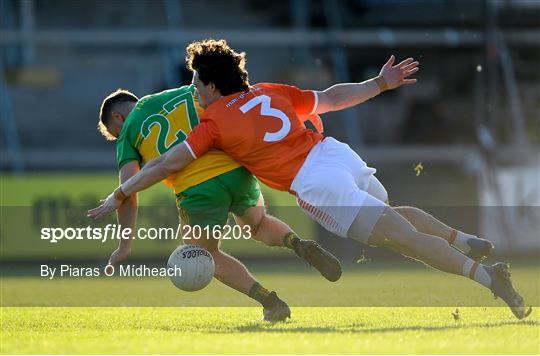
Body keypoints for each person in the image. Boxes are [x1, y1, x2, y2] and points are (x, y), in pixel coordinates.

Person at [89, 39, 531, 320]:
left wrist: (121, 192)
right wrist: (377, 84)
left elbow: (166, 164)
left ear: (212, 85)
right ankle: (464, 238)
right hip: (335, 154)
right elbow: (332, 98)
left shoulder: (214, 122)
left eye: (197, 83)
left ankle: (489, 277)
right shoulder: (269, 90)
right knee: (393, 218)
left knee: (400, 238)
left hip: (316, 182)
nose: (195, 90)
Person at [96, 84, 341, 322]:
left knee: (204, 253)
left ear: (118, 117)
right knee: (257, 225)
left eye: (115, 132)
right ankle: (297, 244)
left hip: (196, 188)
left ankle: (270, 302)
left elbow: (127, 192)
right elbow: (241, 102)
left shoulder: (128, 130)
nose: (119, 136)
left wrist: (124, 246)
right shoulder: (187, 91)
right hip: (236, 170)